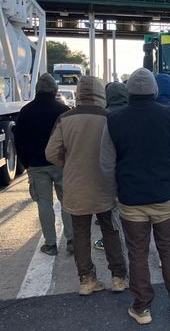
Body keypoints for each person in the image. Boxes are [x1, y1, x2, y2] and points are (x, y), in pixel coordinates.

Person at [100, 68, 170, 324]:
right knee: (168, 248)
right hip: (163, 197)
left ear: (129, 90)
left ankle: (142, 308)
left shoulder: (114, 119)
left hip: (130, 200)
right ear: (154, 90)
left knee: (137, 252)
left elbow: (107, 165)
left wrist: (114, 195)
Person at [45, 76, 128, 296]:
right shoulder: (109, 117)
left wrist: (70, 163)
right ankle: (119, 277)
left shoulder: (65, 118)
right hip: (104, 184)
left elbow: (51, 153)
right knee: (110, 230)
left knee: (80, 234)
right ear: (101, 93)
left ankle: (87, 280)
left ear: (79, 93)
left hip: (76, 186)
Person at [14, 73, 73, 256]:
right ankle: (72, 240)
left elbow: (19, 140)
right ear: (55, 91)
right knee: (67, 203)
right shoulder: (64, 110)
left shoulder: (26, 111)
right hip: (61, 164)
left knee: (44, 204)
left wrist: (26, 163)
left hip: (37, 166)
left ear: (37, 90)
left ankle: (51, 244)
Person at [93, 81, 128, 251]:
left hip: (109, 171)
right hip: (129, 171)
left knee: (110, 211)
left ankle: (108, 240)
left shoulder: (102, 116)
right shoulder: (131, 113)